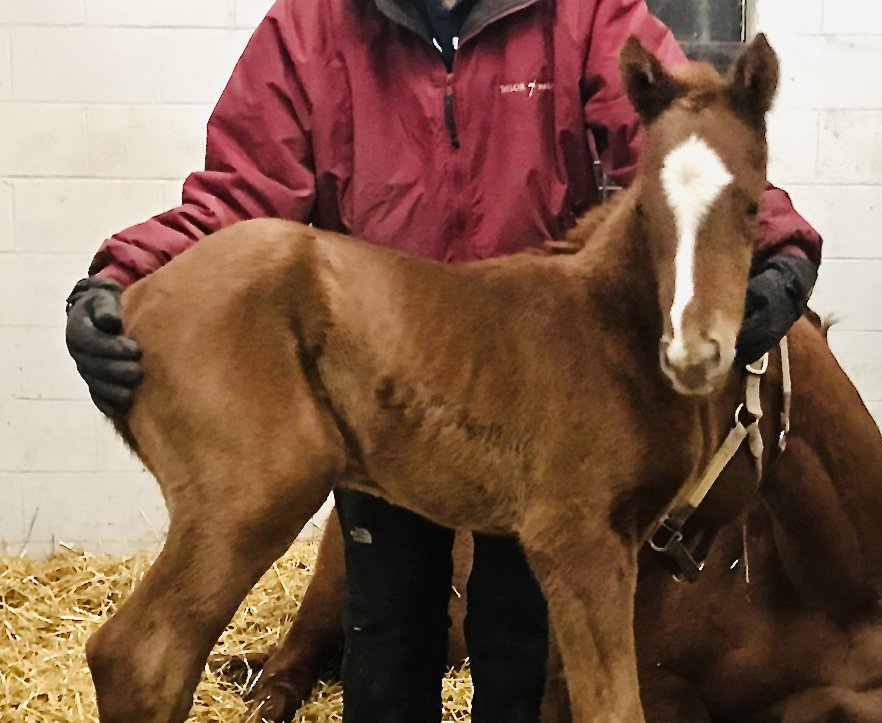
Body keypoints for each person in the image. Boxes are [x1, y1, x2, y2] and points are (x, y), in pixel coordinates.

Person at [64, 0, 822, 720]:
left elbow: (691, 141)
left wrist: (781, 245)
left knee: (518, 648)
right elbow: (240, 189)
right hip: (375, 366)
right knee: (387, 634)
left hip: (537, 384)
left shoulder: (577, 13)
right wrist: (119, 276)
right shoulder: (316, 25)